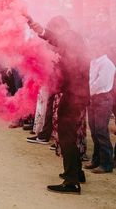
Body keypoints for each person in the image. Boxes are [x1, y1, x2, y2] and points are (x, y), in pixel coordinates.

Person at [29, 15, 89, 194]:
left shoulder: (71, 39)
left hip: (73, 96)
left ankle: (72, 182)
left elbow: (58, 42)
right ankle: (77, 173)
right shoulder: (72, 39)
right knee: (70, 135)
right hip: (75, 95)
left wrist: (41, 31)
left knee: (66, 137)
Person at [84, 36, 115, 173]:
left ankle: (107, 163)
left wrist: (87, 92)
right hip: (93, 99)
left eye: (95, 45)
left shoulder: (107, 64)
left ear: (102, 47)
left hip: (102, 99)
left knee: (101, 131)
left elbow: (100, 83)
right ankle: (96, 160)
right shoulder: (93, 62)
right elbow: (90, 80)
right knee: (95, 131)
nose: (92, 48)